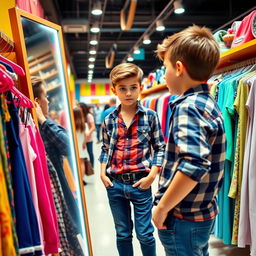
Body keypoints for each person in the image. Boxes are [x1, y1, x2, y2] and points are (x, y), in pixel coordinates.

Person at [153, 25, 226, 256]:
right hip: (201, 213)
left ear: (178, 67)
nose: (163, 75)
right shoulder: (208, 103)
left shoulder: (188, 107)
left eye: (165, 68)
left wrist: (162, 208)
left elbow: (194, 164)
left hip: (182, 217)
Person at [99, 63, 165, 256]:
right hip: (115, 184)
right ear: (114, 90)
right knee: (122, 234)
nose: (128, 93)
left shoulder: (150, 117)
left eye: (133, 87)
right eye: (122, 88)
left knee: (145, 234)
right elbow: (105, 149)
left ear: (140, 88)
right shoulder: (109, 119)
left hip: (141, 183)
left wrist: (152, 176)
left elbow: (160, 147)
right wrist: (102, 173)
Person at [73, 106, 87, 184]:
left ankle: (77, 180)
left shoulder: (72, 125)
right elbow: (86, 135)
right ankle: (81, 179)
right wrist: (84, 143)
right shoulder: (83, 125)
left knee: (76, 163)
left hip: (75, 146)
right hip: (81, 145)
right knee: (82, 163)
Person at [79, 102, 96, 168]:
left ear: (83, 108)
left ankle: (91, 166)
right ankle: (85, 167)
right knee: (83, 153)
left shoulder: (89, 116)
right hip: (81, 138)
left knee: (90, 152)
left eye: (79, 107)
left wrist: (88, 132)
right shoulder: (79, 115)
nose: (78, 108)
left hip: (88, 138)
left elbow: (93, 127)